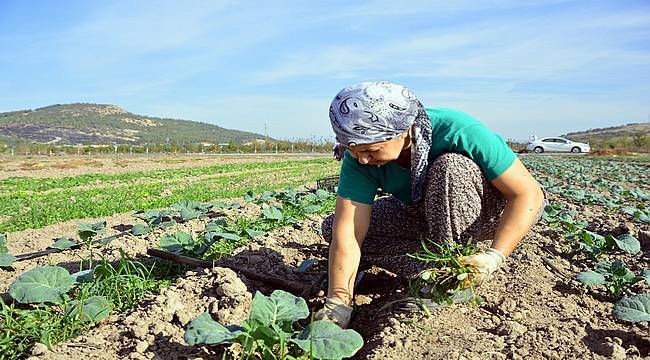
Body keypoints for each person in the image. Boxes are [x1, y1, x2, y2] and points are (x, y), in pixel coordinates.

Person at [314, 81, 545, 328]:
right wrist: (338, 301)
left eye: (371, 150)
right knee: (334, 229)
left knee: (450, 167)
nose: (362, 158)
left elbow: (528, 195)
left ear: (402, 132)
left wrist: (495, 256)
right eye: (353, 149)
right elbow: (349, 231)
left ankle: (451, 277)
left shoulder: (457, 129)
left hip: (490, 210)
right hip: (423, 210)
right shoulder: (359, 159)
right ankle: (430, 268)